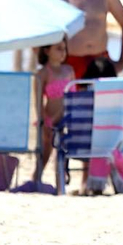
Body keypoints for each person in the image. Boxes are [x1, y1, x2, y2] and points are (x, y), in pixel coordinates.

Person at [31, 38, 76, 189]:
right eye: (58, 48)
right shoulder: (43, 73)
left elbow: (74, 97)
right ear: (46, 51)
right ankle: (35, 181)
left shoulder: (69, 70)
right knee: (45, 154)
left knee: (61, 156)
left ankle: (60, 186)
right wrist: (44, 121)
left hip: (68, 119)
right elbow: (38, 101)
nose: (63, 52)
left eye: (64, 48)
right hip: (50, 120)